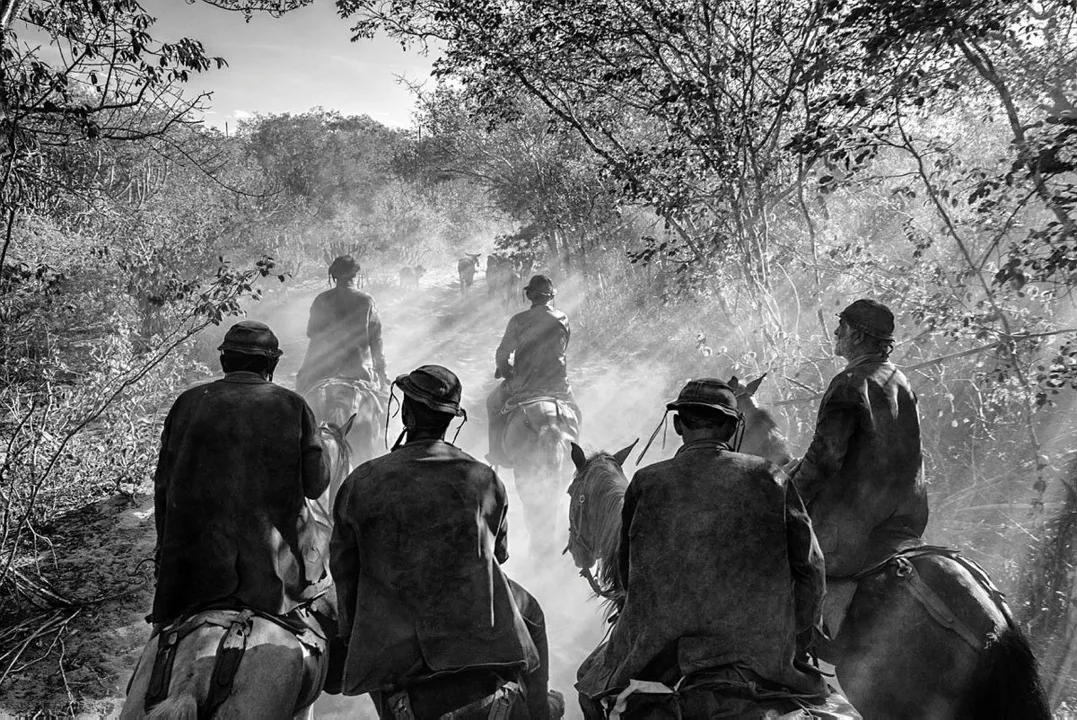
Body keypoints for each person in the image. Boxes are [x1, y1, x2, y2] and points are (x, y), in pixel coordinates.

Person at [576, 379, 855, 719]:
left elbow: (628, 575)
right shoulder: (770, 477)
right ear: (734, 426)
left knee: (590, 687)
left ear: (679, 425)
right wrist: (796, 632)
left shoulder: (647, 482)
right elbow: (811, 568)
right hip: (762, 656)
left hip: (668, 656)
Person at [330, 365, 561, 719]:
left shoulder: (362, 481)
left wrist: (350, 636)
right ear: (451, 420)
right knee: (534, 615)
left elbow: (345, 568)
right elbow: (497, 554)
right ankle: (540, 710)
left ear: (405, 412)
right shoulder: (484, 478)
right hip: (470, 614)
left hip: (394, 630)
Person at [152, 320, 332, 631]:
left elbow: (163, 488)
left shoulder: (187, 403)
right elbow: (316, 487)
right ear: (271, 364)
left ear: (224, 361)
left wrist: (165, 553)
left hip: (194, 573)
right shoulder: (293, 405)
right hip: (273, 577)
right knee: (335, 618)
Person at [790, 299, 927, 634]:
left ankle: (790, 659)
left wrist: (790, 498)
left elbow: (824, 459)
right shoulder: (899, 379)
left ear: (856, 334)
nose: (836, 331)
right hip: (905, 519)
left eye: (843, 326)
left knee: (773, 552)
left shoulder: (850, 382)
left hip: (854, 525)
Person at [486, 274, 579, 466]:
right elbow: (563, 347)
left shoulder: (518, 321)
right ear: (550, 296)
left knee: (493, 404)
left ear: (530, 296)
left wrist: (505, 370)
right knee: (576, 412)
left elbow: (503, 353)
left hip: (524, 385)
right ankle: (576, 457)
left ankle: (495, 452)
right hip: (558, 385)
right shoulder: (563, 319)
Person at [297, 254, 389, 395]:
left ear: (335, 277)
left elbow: (311, 332)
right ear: (355, 276)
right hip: (359, 371)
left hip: (322, 370)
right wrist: (382, 371)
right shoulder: (366, 300)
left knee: (300, 397)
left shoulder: (321, 299)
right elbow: (376, 339)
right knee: (382, 405)